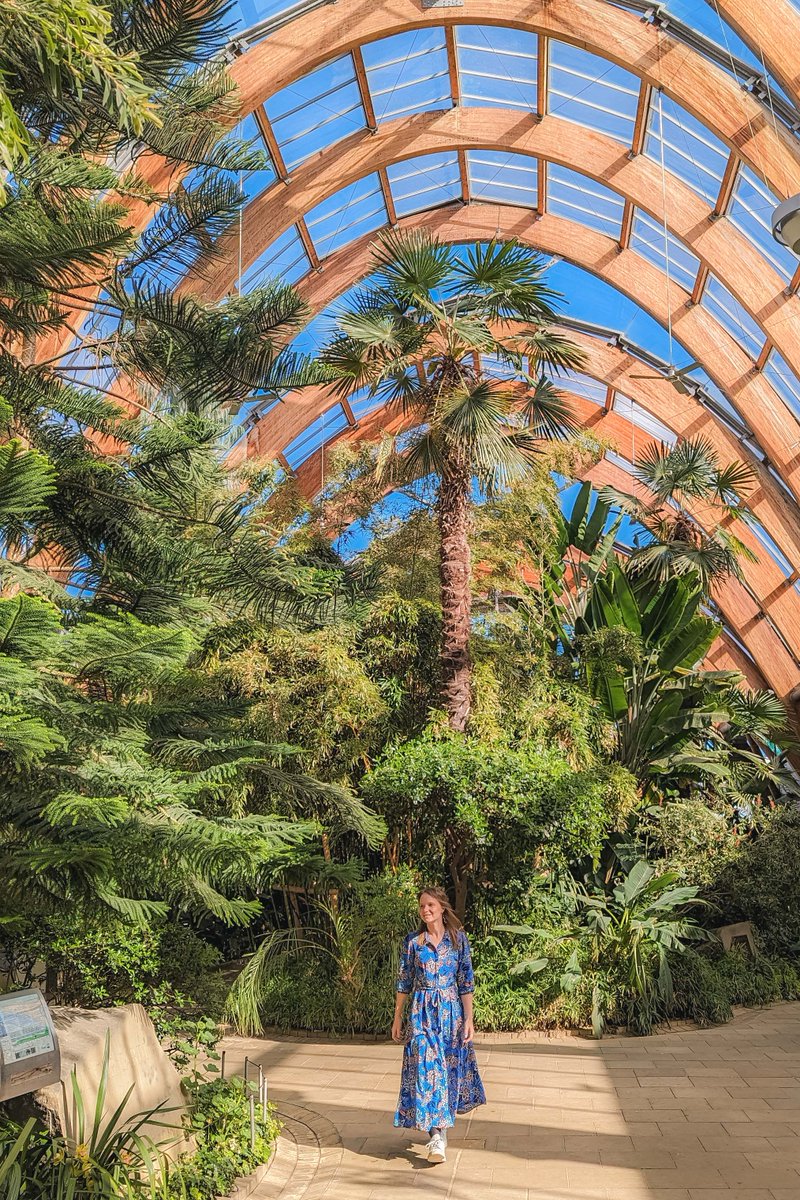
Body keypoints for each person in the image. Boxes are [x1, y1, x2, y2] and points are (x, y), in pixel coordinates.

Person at [391, 886, 486, 1164]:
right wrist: (397, 1017)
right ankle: (436, 1136)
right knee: (426, 1068)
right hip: (421, 1013)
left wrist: (469, 1019)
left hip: (451, 1014)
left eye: (431, 905)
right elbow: (403, 982)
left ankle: (440, 1130)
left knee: (446, 1071)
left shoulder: (458, 941)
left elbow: (466, 982)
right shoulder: (414, 943)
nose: (426, 910)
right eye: (422, 906)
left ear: (442, 908)